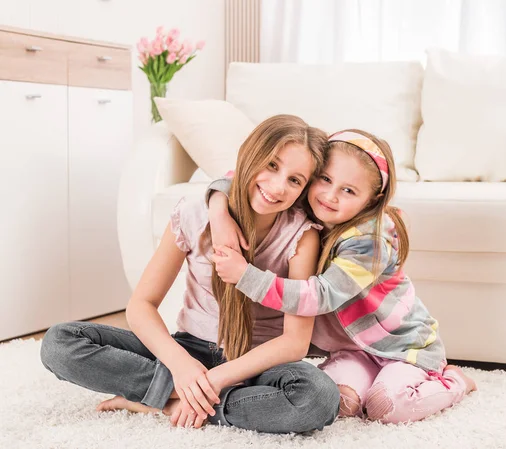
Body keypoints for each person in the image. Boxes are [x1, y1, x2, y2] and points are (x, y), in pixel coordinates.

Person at [40, 115, 340, 433]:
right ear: (250, 155)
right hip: (190, 348)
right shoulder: (194, 214)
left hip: (257, 363)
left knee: (318, 398)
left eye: (295, 180)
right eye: (272, 165)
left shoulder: (301, 236)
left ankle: (165, 401)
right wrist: (181, 366)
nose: (278, 186)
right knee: (59, 343)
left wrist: (211, 380)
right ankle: (189, 396)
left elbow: (294, 342)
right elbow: (141, 305)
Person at [207, 129, 477, 424]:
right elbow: (241, 175)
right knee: (341, 402)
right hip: (353, 348)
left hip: (402, 348)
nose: (330, 196)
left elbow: (319, 296)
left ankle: (456, 382)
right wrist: (218, 211)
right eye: (325, 179)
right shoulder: (305, 204)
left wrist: (245, 276)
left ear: (372, 200)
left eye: (349, 190)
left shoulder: (369, 241)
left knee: (386, 406)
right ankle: (368, 379)